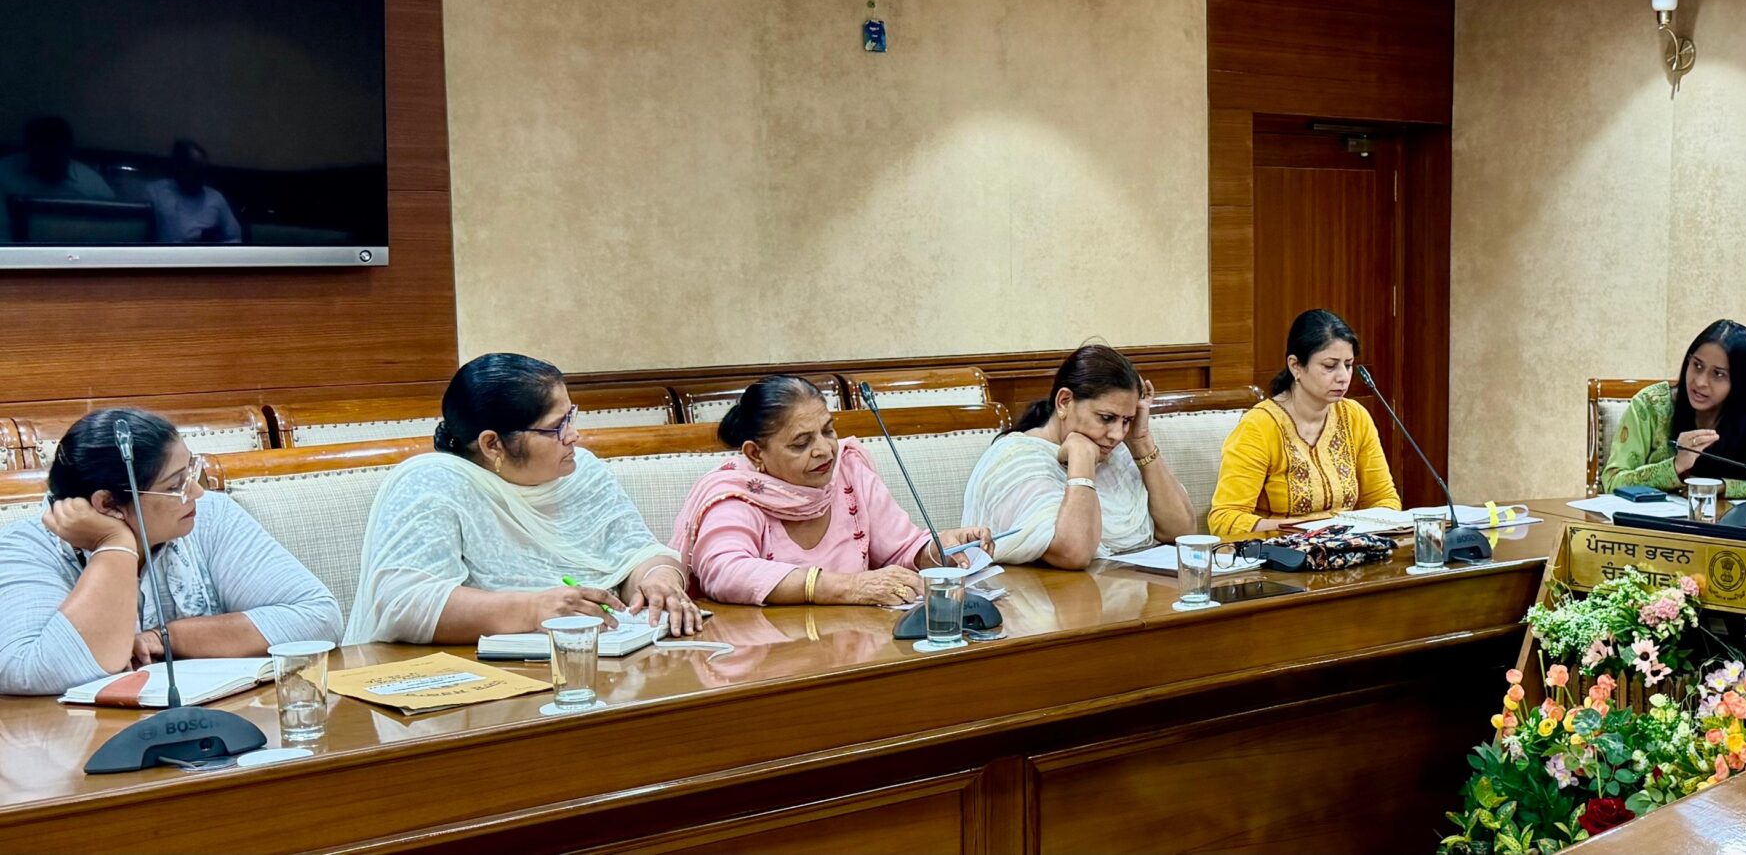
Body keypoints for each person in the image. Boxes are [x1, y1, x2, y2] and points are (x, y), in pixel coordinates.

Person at [346, 353, 700, 644]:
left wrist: (659, 578)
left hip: (605, 653)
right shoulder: (435, 482)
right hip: (476, 673)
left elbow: (637, 552)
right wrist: (534, 610)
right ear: (492, 444)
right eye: (556, 427)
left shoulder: (582, 472)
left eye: (571, 417)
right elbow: (404, 603)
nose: (574, 435)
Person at [0, 410, 338, 696]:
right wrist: (114, 545)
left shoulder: (211, 517)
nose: (198, 492)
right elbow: (31, 671)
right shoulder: (25, 547)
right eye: (176, 485)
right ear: (108, 503)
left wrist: (166, 637)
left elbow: (318, 618)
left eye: (190, 471)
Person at [673, 375, 992, 606]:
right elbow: (725, 571)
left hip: (859, 642)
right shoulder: (737, 493)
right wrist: (848, 587)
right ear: (756, 454)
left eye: (828, 431)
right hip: (771, 655)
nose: (825, 450)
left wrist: (942, 549)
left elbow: (901, 549)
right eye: (801, 443)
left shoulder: (848, 471)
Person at [961, 344, 1194, 568]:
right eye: (1106, 418)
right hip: (1046, 592)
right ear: (1064, 402)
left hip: (1124, 585)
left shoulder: (1116, 452)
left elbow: (1182, 531)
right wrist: (1082, 460)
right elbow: (1073, 553)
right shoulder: (1016, 459)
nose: (1117, 434)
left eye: (1127, 420)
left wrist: (1141, 442)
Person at [1206, 309, 1400, 537]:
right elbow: (1225, 519)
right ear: (1295, 366)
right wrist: (1307, 529)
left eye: (1348, 365)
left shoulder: (1355, 417)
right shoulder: (1259, 426)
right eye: (1329, 366)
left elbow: (1384, 500)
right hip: (1282, 553)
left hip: (1348, 548)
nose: (1343, 377)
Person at [1599, 320, 1746, 498]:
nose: (1700, 382)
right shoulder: (1650, 406)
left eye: (1718, 374)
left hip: (1735, 529)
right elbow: (1612, 482)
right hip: (1657, 529)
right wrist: (1675, 466)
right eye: (1697, 365)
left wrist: (1726, 487)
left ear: (1740, 384)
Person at [0, 116, 115, 234]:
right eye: (44, 152)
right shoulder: (4, 174)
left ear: (69, 151)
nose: (50, 159)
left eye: (56, 152)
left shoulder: (91, 183)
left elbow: (115, 224)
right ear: (29, 149)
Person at [145, 139, 242, 244]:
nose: (200, 177)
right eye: (194, 170)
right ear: (179, 167)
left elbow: (234, 238)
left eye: (203, 171)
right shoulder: (156, 193)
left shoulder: (215, 198)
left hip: (208, 251)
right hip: (171, 252)